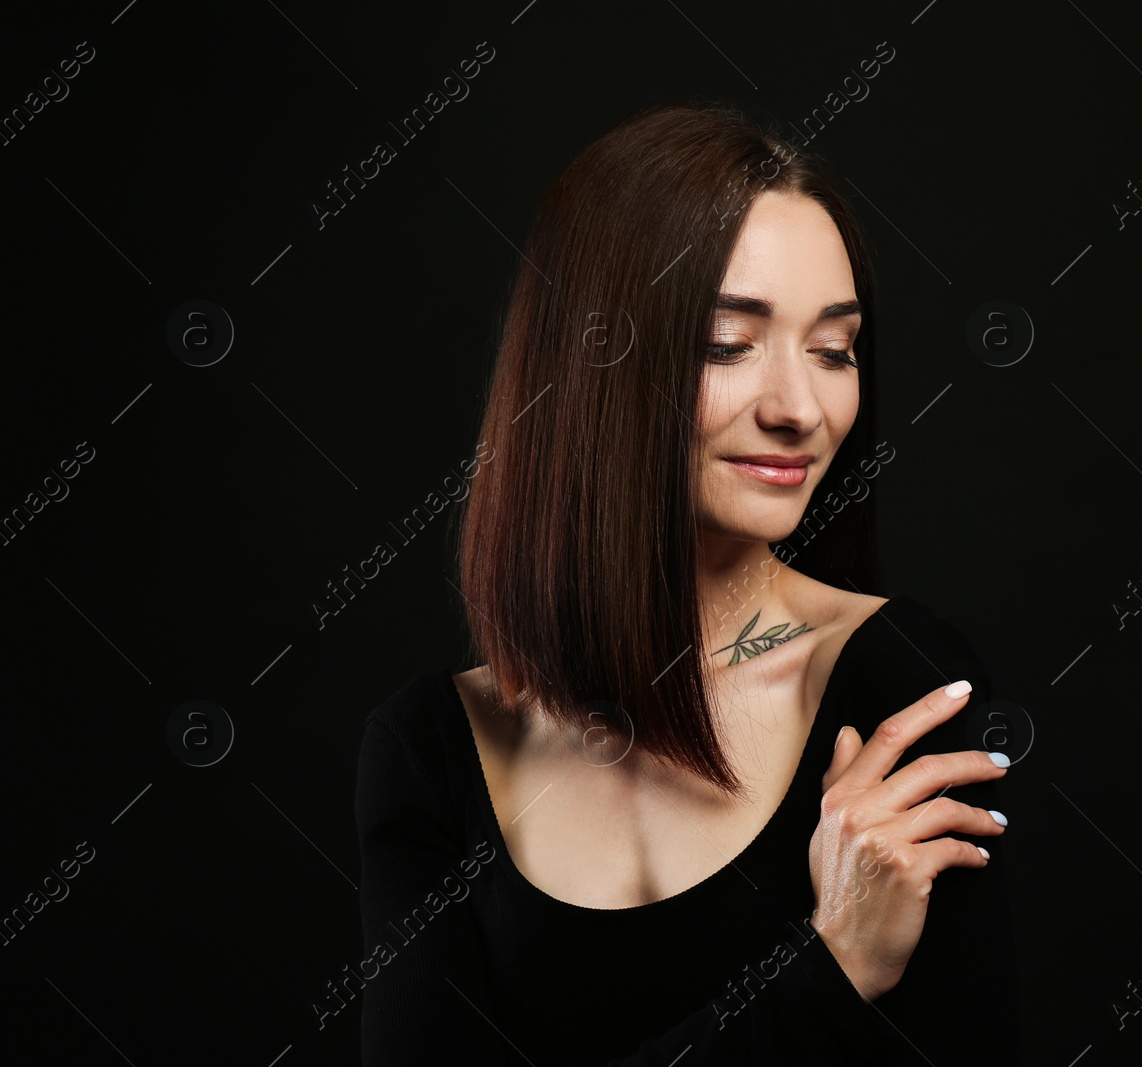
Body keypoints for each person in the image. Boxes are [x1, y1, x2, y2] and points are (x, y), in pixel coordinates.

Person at [353, 101, 1021, 1065]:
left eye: (833, 350)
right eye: (726, 344)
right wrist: (830, 971)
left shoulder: (902, 694)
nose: (800, 407)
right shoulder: (430, 753)